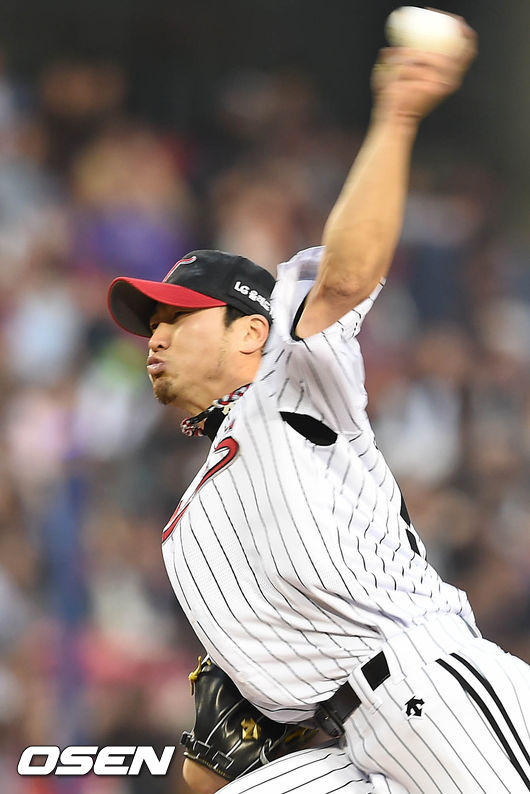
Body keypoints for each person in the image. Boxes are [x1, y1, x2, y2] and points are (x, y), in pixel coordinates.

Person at [108, 14, 530, 794]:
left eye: (177, 318)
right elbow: (217, 749)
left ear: (251, 333)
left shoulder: (287, 377)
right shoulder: (188, 534)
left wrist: (397, 114)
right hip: (348, 745)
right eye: (150, 324)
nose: (155, 336)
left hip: (427, 683)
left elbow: (346, 276)